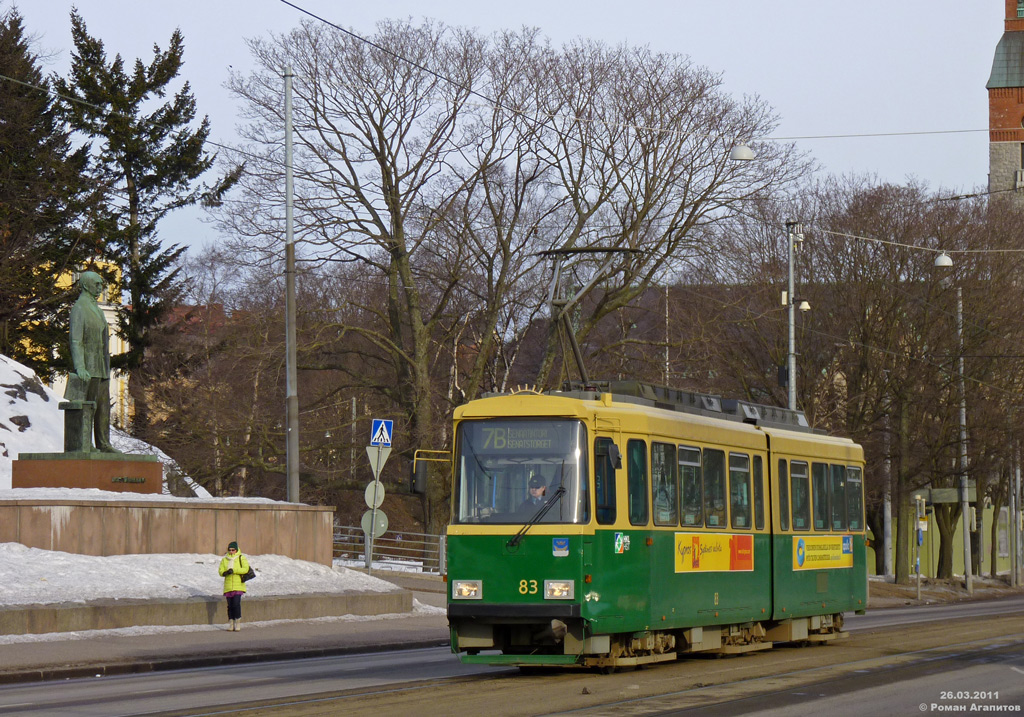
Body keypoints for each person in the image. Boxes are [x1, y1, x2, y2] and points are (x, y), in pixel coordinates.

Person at [64, 270, 119, 453]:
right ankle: (85, 443)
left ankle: (104, 442)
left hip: (101, 367)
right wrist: (80, 366)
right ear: (86, 285)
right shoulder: (79, 308)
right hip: (88, 367)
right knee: (88, 406)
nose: (100, 287)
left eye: (101, 284)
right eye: (97, 284)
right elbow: (76, 340)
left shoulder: (98, 310)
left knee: (103, 406)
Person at [218, 541, 250, 631]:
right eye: (230, 550)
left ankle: (238, 621)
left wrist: (234, 570)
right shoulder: (225, 559)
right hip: (228, 586)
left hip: (238, 585)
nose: (231, 552)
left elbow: (245, 569)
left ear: (236, 550)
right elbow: (220, 570)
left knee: (236, 604)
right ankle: (231, 623)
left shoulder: (241, 558)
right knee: (230, 606)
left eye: (233, 550)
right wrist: (225, 572)